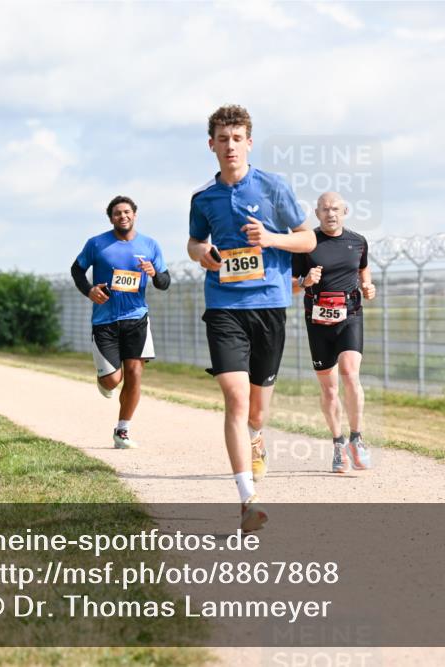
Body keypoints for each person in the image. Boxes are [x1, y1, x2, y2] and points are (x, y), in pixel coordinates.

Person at [186, 104, 315, 531]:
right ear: (211, 145)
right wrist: (201, 253)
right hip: (224, 306)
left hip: (269, 305)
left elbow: (307, 237)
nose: (230, 146)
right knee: (236, 399)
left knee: (257, 411)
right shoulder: (204, 198)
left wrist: (272, 237)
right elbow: (194, 242)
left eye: (237, 138)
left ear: (249, 143)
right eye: (222, 139)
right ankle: (247, 500)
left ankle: (257, 438)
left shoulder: (273, 187)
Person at [71, 196, 170, 449]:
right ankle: (104, 378)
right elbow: (76, 270)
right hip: (104, 320)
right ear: (111, 218)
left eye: (126, 212)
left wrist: (154, 273)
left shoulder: (150, 245)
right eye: (117, 213)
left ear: (134, 215)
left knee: (135, 373)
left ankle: (122, 430)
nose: (122, 216)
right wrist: (89, 290)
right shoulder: (97, 244)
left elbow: (164, 282)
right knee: (113, 380)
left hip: (136, 317)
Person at [292, 192, 376, 473]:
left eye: (336, 209)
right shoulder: (307, 244)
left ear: (346, 211)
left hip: (350, 315)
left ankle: (357, 438)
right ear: (317, 213)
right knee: (329, 389)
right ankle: (338, 443)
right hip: (317, 320)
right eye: (325, 209)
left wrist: (368, 286)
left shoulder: (358, 241)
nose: (331, 214)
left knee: (350, 373)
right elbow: (290, 284)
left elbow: (364, 270)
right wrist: (304, 281)